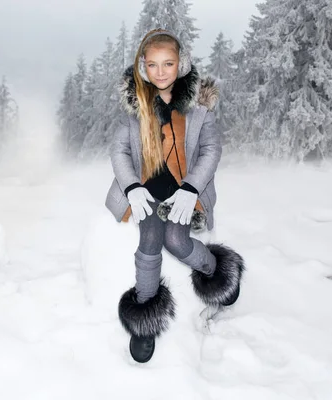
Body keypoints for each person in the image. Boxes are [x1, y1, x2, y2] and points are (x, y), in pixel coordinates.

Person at [105, 28, 245, 363]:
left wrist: (192, 188)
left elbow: (211, 150)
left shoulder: (197, 108)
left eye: (168, 63)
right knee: (151, 240)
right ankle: (144, 319)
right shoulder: (136, 106)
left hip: (184, 192)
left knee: (178, 241)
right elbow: (119, 150)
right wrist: (132, 186)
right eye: (152, 65)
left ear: (181, 64)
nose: (161, 71)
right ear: (142, 67)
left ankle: (216, 273)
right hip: (147, 193)